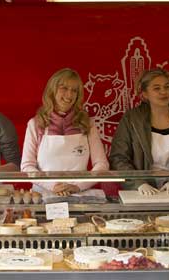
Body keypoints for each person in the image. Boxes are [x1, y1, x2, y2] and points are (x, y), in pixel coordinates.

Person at [109, 68, 169, 195]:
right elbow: (118, 158)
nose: (163, 92)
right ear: (144, 94)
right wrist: (138, 183)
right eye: (156, 88)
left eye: (167, 87)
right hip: (140, 192)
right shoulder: (131, 119)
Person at [21, 68, 109, 196]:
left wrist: (77, 186)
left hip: (78, 196)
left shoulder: (88, 124)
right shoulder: (35, 124)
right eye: (64, 88)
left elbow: (101, 164)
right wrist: (53, 186)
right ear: (52, 90)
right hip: (43, 196)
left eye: (74, 90)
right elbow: (27, 166)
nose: (69, 95)